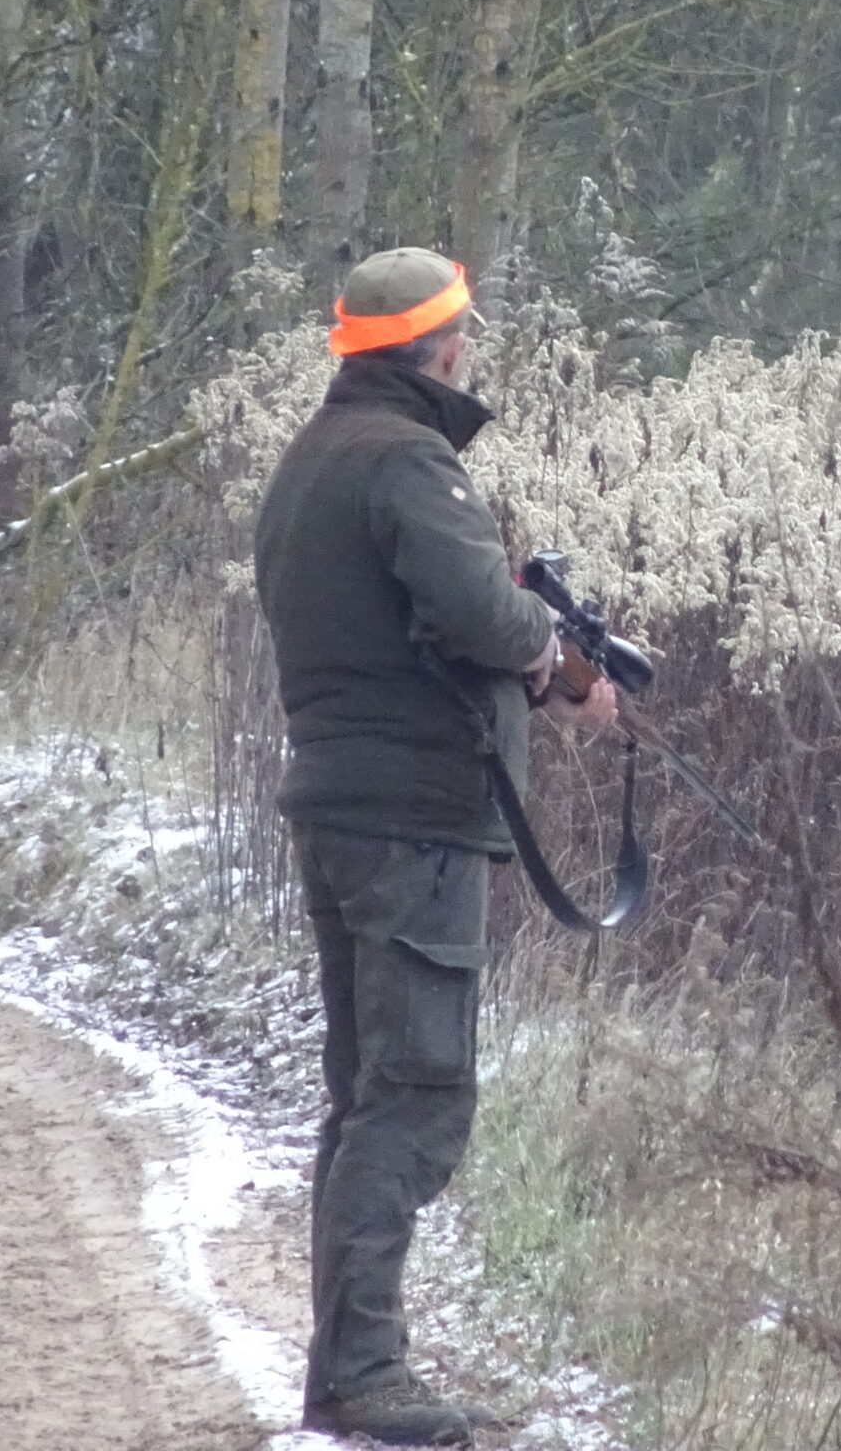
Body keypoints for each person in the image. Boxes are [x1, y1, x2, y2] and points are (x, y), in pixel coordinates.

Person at [254, 247, 617, 1445]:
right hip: (410, 821)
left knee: (366, 1097)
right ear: (438, 346)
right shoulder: (410, 459)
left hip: (345, 807)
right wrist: (553, 658)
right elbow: (476, 613)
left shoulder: (315, 459)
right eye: (463, 330)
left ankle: (346, 1369)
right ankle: (363, 1378)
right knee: (413, 1097)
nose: (469, 346)